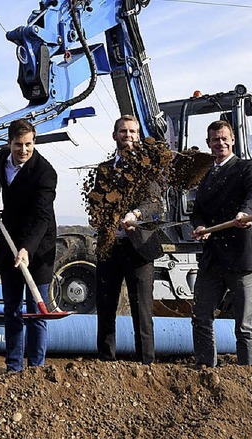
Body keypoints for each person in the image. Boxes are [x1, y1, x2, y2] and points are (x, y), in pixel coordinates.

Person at [190, 120, 252, 367]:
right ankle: (205, 369)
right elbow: (198, 211)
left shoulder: (247, 167)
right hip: (213, 259)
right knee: (201, 317)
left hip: (242, 257)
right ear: (208, 144)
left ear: (233, 139)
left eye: (224, 138)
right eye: (214, 139)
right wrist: (199, 226)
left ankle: (249, 377)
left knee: (244, 325)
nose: (219, 143)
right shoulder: (206, 176)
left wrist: (246, 212)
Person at [90, 115, 163, 365]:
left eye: (133, 132)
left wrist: (135, 214)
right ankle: (105, 360)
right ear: (115, 136)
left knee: (142, 311)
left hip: (139, 249)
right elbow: (96, 203)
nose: (128, 135)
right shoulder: (103, 170)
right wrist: (100, 218)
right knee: (106, 307)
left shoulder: (148, 170)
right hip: (110, 248)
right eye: (123, 131)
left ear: (138, 137)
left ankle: (146, 364)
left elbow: (155, 206)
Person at [0, 119, 57, 372]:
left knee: (37, 313)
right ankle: (13, 367)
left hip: (38, 246)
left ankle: (36, 369)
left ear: (34, 141)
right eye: (18, 145)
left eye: (28, 144)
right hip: (9, 240)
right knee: (12, 309)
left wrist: (27, 248)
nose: (23, 150)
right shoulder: (4, 156)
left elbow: (42, 218)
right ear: (9, 143)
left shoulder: (45, 173)